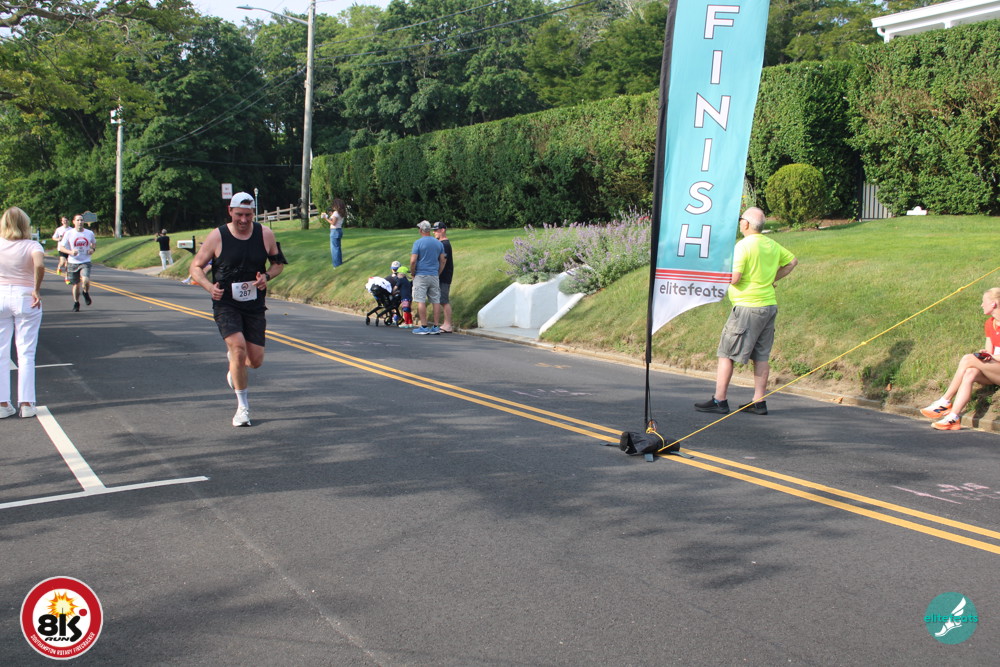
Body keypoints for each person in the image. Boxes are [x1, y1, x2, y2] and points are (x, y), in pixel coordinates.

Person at [188, 192, 286, 427]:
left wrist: (266, 277)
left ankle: (235, 367)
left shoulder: (265, 234)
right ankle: (243, 408)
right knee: (238, 347)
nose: (244, 220)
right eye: (239, 214)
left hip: (254, 304)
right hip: (226, 302)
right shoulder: (218, 236)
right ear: (230, 211)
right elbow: (196, 267)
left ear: (254, 214)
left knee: (255, 360)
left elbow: (278, 264)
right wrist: (209, 287)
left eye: (248, 215)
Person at [695, 207, 798, 415]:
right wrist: (771, 279)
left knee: (726, 353)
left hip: (747, 307)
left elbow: (735, 278)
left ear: (747, 224)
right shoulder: (771, 244)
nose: (740, 222)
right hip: (768, 306)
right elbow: (792, 261)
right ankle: (759, 402)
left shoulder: (743, 246)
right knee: (761, 355)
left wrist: (714, 275)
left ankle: (720, 400)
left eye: (741, 219)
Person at [920, 288, 1000, 431]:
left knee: (968, 359)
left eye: (984, 302)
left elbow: (992, 356)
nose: (981, 305)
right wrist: (985, 355)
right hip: (994, 370)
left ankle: (945, 401)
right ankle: (953, 418)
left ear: (993, 304)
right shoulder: (990, 323)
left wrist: (991, 357)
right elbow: (989, 351)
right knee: (970, 372)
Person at [0, 207, 45, 419]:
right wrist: (36, 289)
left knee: (1, 352)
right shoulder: (32, 245)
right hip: (25, 296)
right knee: (26, 352)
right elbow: (40, 265)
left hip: (1, 296)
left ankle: (2, 404)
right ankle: (26, 403)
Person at [409, 220, 446, 335]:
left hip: (421, 275)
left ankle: (424, 326)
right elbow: (443, 260)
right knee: (435, 300)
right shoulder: (438, 243)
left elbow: (413, 261)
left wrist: (413, 272)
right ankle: (436, 326)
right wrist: (438, 272)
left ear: (421, 230)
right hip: (434, 275)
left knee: (421, 300)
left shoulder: (418, 243)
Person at [60, 213, 97, 312]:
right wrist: (70, 252)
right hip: (73, 262)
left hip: (85, 261)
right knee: (76, 284)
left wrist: (92, 250)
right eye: (78, 220)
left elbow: (94, 243)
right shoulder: (69, 233)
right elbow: (61, 248)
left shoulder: (89, 233)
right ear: (73, 222)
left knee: (85, 280)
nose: (80, 222)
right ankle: (76, 302)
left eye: (81, 220)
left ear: (83, 221)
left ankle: (85, 292)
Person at [432, 221, 454, 332]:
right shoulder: (441, 244)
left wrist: (437, 274)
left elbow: (443, 261)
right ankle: (445, 323)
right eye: (434, 230)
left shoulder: (444, 244)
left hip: (444, 276)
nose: (434, 232)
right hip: (441, 275)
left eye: (436, 230)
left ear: (443, 230)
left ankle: (448, 324)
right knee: (441, 300)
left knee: (444, 300)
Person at [321, 198, 346, 267]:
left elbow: (333, 223)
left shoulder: (336, 213)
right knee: (338, 248)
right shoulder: (341, 213)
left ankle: (336, 264)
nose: (333, 206)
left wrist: (325, 218)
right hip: (339, 230)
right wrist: (331, 215)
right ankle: (339, 262)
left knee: (334, 249)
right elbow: (335, 220)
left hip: (334, 231)